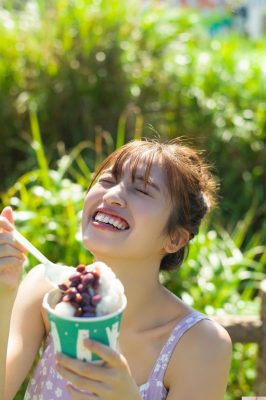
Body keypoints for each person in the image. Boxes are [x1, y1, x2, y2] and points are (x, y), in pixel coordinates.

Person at [0, 138, 232, 400]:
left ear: (175, 239)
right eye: (108, 181)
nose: (111, 196)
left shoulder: (202, 344)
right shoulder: (47, 292)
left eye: (142, 191)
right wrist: (4, 291)